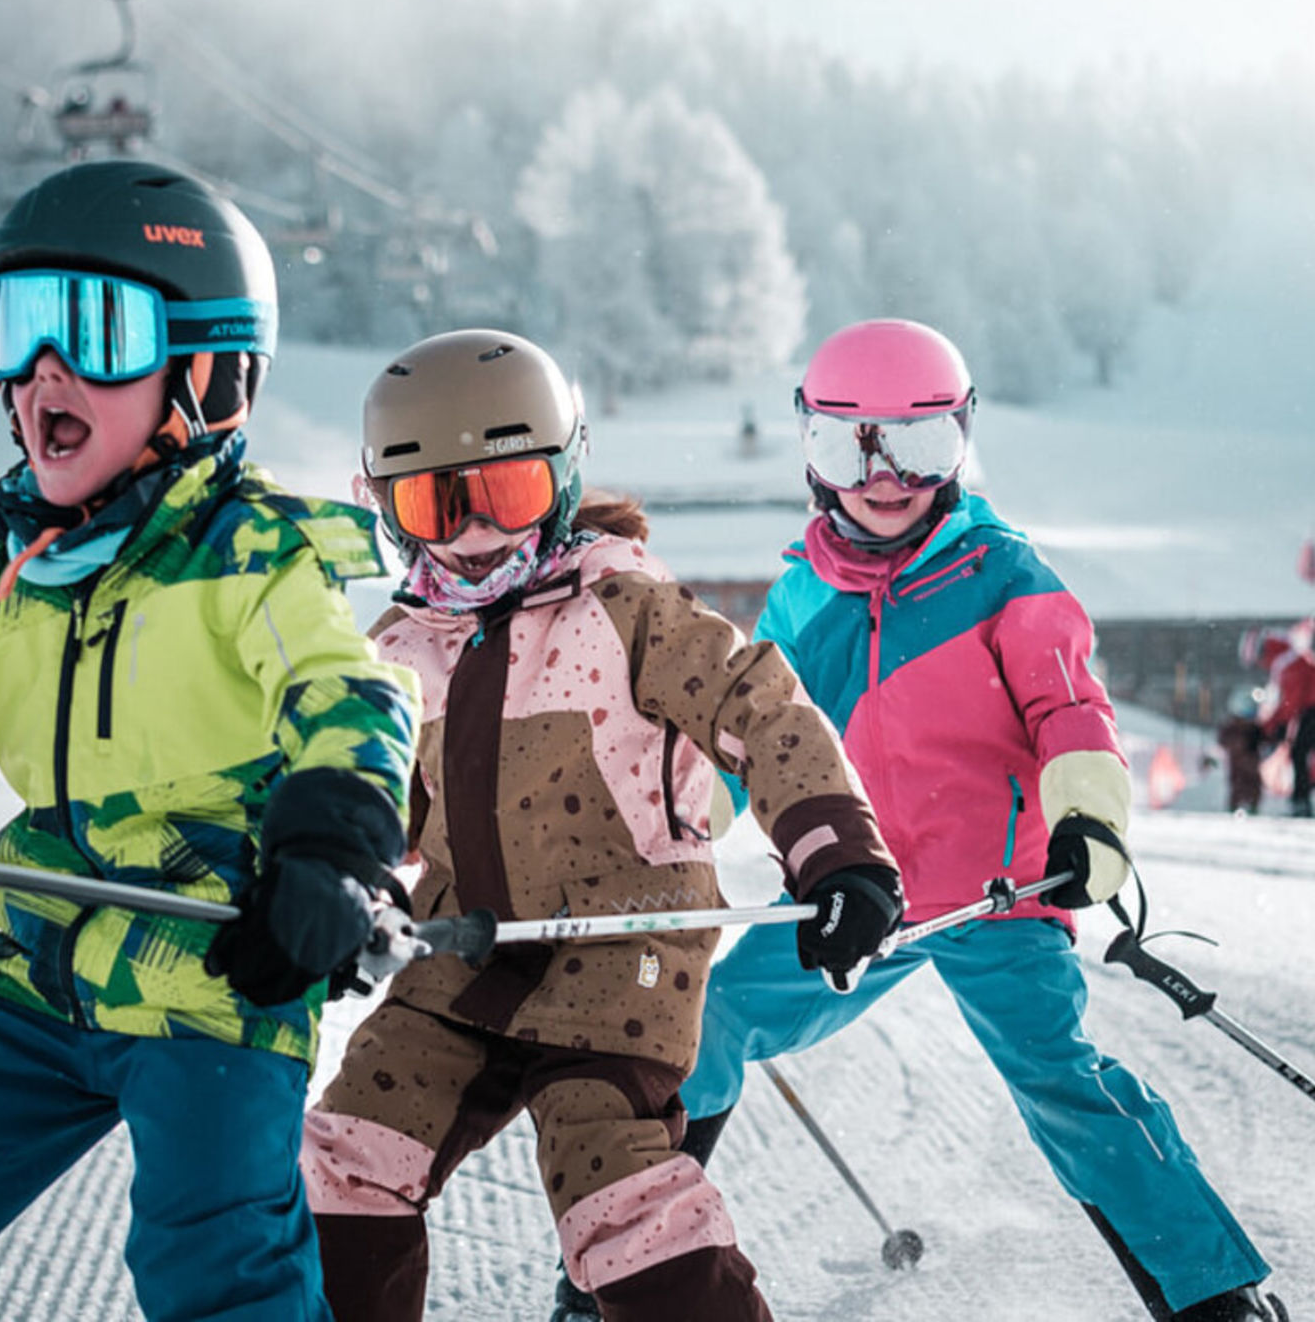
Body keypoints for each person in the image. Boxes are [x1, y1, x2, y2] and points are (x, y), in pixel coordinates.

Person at [558, 318, 1285, 1322]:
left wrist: (1090, 828)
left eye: (920, 443)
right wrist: (650, 841)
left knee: (1061, 1084)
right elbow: (743, 745)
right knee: (705, 1025)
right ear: (810, 450)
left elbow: (1072, 715)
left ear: (961, 443)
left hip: (996, 898)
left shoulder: (1005, 580)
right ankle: (624, 1275)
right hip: (857, 896)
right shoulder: (802, 599)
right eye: (849, 447)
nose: (886, 476)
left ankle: (1214, 1295)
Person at [0, 160, 418, 1322]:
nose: (44, 373)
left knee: (217, 1275)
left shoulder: (254, 552)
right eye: (18, 328)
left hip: (214, 977)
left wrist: (330, 853)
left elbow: (350, 696)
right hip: (39, 975)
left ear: (208, 371)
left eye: (92, 328)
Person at [298, 328, 902, 1322]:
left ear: (565, 476)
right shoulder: (401, 649)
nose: (473, 531)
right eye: (433, 502)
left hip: (619, 960)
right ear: (389, 510)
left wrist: (836, 855)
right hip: (458, 962)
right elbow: (372, 801)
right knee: (348, 1152)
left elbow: (761, 710)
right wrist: (330, 890)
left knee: (612, 1186)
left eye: (507, 493)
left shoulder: (628, 609)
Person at [1241, 624, 1315, 817]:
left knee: (1300, 752)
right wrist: (1272, 725)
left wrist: (1269, 727)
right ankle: (1301, 801)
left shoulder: (1288, 664)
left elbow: (1291, 703)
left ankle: (1301, 803)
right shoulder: (1291, 660)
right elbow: (1290, 703)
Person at [1215, 686, 1265, 816]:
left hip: (1252, 762)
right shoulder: (1232, 726)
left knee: (1254, 785)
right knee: (1238, 785)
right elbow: (1223, 740)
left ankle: (1253, 807)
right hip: (1237, 762)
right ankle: (1234, 808)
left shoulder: (1255, 727)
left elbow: (1265, 738)